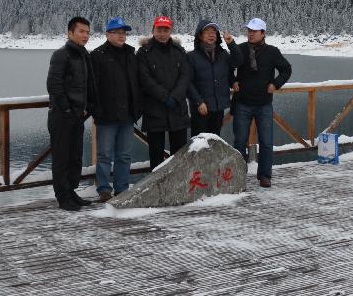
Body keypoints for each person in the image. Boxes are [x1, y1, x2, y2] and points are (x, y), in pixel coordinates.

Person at [232, 18, 292, 188]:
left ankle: (265, 175)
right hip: (242, 103)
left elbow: (286, 69)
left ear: (263, 33)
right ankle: (238, 176)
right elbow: (228, 68)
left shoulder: (272, 52)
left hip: (264, 104)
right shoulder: (240, 50)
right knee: (239, 142)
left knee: (266, 142)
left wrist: (276, 84)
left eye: (254, 31)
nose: (250, 34)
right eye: (249, 31)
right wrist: (233, 81)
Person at [46, 16, 97, 211]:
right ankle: (62, 196)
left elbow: (87, 85)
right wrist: (67, 109)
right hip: (62, 116)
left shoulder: (84, 55)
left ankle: (71, 191)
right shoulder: (61, 55)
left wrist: (89, 106)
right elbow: (54, 86)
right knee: (61, 157)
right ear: (70, 33)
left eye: (87, 32)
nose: (85, 36)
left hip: (77, 116)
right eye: (81, 32)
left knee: (75, 156)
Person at [90, 17, 141, 202]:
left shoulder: (131, 54)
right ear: (107, 34)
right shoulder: (97, 55)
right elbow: (91, 86)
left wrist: (138, 108)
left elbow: (136, 83)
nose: (121, 36)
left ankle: (122, 188)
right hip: (106, 116)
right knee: (104, 155)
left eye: (123, 33)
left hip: (127, 115)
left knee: (124, 155)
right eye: (117, 32)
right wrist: (96, 110)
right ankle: (104, 189)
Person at [137, 16, 192, 170]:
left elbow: (185, 76)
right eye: (159, 30)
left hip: (177, 108)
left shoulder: (179, 51)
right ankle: (157, 188)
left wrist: (174, 97)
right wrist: (164, 96)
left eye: (165, 30)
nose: (162, 33)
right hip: (155, 109)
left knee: (179, 154)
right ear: (153, 30)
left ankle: (178, 186)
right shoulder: (144, 52)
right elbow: (144, 78)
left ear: (170, 31)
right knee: (156, 155)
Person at [187, 20, 243, 137]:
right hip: (200, 108)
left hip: (218, 107)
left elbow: (237, 62)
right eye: (207, 31)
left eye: (214, 32)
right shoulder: (191, 57)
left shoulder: (223, 55)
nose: (211, 34)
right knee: (199, 144)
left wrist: (231, 44)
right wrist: (199, 102)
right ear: (200, 35)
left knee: (215, 141)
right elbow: (188, 83)